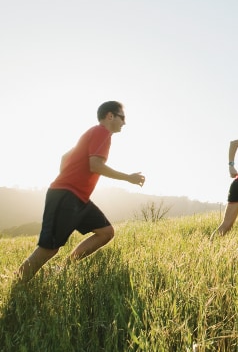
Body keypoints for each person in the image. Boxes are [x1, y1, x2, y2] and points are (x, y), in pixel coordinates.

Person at [16, 101, 146, 282]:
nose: (124, 123)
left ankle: (63, 268)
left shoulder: (93, 133)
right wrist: (128, 178)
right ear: (110, 116)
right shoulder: (102, 132)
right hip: (66, 195)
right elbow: (96, 165)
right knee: (49, 248)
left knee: (106, 232)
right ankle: (17, 283)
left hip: (78, 198)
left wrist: (70, 176)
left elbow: (65, 157)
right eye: (122, 117)